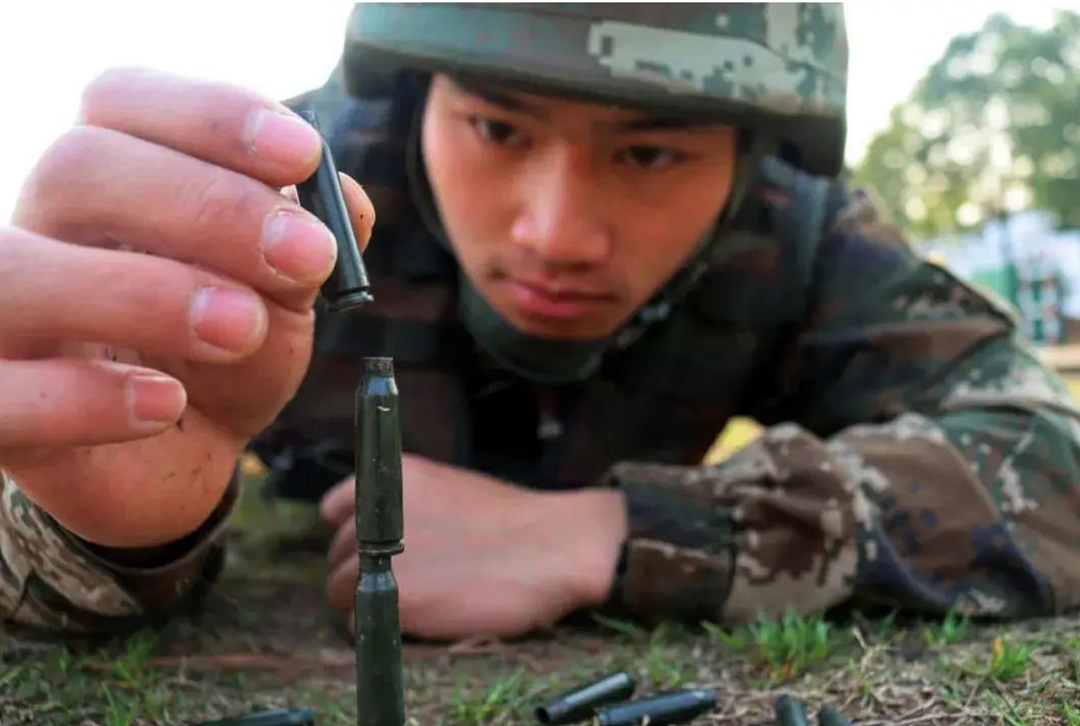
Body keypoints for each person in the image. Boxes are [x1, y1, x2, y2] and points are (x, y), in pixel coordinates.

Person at [2, 4, 1079, 639]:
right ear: (414, 92)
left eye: (650, 152)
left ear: (755, 152)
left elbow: (1050, 456)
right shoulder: (269, 210)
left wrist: (612, 534)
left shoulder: (802, 240)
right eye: (497, 128)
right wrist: (114, 532)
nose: (558, 232)